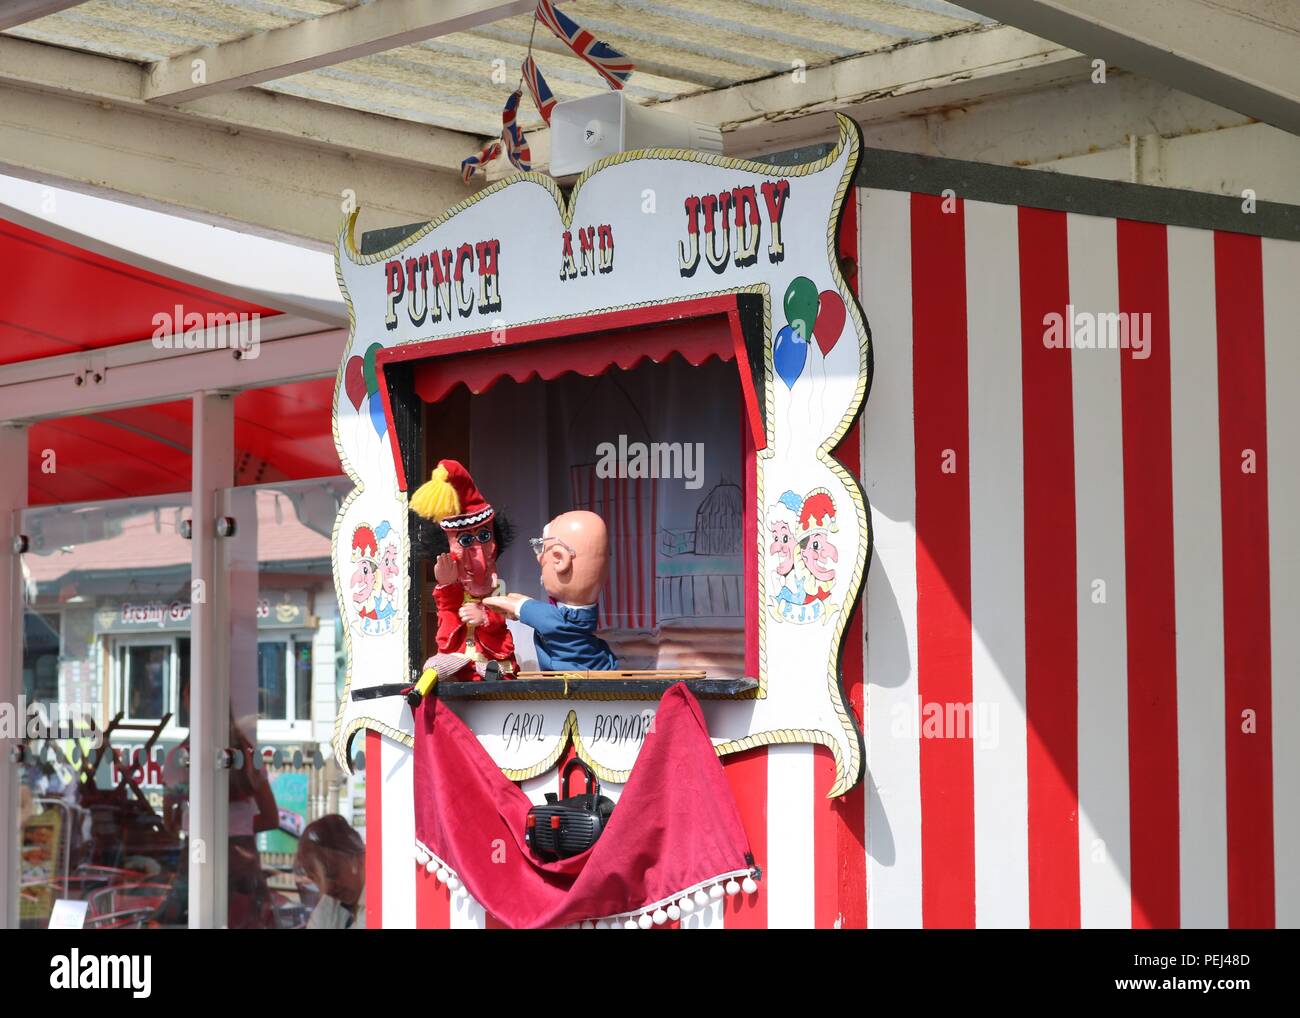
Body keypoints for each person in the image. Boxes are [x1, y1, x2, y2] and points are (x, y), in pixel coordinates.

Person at [409, 459, 518, 679]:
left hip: (492, 657)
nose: (477, 552)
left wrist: (484, 617)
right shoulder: (453, 586)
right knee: (434, 666)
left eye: (484, 536)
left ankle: (486, 672)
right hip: (460, 662)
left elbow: (501, 616)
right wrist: (448, 587)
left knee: (493, 670)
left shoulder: (495, 583)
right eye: (466, 540)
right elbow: (446, 622)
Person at [485, 510, 617, 672]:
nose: (539, 558)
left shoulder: (559, 621)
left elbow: (548, 619)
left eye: (542, 549)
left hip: (577, 687)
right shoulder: (579, 618)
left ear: (559, 559)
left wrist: (514, 605)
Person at [296, 815, 365, 929]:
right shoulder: (332, 900)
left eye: (332, 873)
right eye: (316, 879)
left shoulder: (382, 897)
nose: (327, 888)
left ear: (355, 859)